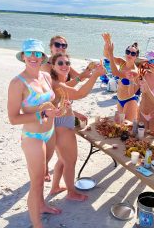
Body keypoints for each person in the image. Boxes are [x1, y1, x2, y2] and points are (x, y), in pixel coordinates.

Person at [7, 38, 62, 228]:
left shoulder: (46, 77)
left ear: (42, 57)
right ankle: (37, 224)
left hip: (50, 132)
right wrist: (43, 113)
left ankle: (41, 205)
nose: (33, 57)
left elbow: (50, 103)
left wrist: (58, 110)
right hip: (33, 137)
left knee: (44, 172)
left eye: (37, 53)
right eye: (29, 53)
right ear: (23, 56)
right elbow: (13, 119)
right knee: (37, 182)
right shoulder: (17, 83)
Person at [48, 53, 105, 201]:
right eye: (60, 63)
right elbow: (79, 93)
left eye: (67, 63)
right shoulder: (56, 83)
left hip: (62, 123)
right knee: (70, 161)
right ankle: (71, 193)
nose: (65, 65)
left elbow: (67, 90)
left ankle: (55, 187)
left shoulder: (58, 82)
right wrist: (95, 76)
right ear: (52, 66)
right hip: (62, 127)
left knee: (62, 159)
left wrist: (83, 76)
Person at [41, 35, 92, 182]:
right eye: (58, 44)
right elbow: (64, 90)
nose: (61, 47)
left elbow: (78, 78)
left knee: (62, 157)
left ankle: (54, 183)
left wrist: (89, 71)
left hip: (62, 111)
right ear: (50, 46)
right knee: (63, 156)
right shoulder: (47, 66)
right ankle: (45, 171)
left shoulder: (62, 62)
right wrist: (89, 76)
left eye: (64, 45)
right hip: (53, 116)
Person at [103, 33, 140, 121]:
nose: (129, 55)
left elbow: (115, 73)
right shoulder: (122, 62)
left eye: (133, 53)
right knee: (120, 126)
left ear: (136, 56)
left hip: (130, 100)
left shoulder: (134, 71)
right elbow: (106, 55)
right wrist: (107, 42)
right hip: (120, 100)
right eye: (128, 52)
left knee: (127, 128)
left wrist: (111, 54)